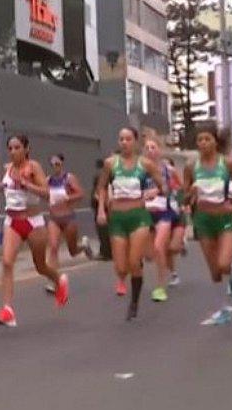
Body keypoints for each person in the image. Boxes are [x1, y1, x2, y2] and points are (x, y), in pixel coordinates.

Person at [0, 134, 68, 327]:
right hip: (12, 221)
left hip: (33, 222)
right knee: (7, 263)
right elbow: (10, 189)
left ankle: (59, 279)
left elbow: (46, 193)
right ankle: (7, 310)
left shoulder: (33, 167)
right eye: (10, 148)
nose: (13, 152)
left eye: (17, 147)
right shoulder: (8, 169)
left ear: (26, 149)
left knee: (40, 265)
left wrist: (28, 185)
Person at [183, 125, 232, 326]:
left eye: (207, 139)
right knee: (214, 270)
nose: (203, 143)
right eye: (200, 140)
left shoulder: (228, 164)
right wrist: (192, 193)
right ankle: (222, 309)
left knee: (223, 263)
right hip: (203, 220)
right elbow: (184, 195)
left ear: (215, 141)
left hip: (224, 218)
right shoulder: (191, 167)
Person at [95, 127, 165, 320]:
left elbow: (163, 185)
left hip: (138, 216)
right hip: (117, 217)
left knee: (134, 261)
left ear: (135, 142)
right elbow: (101, 188)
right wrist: (101, 209)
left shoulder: (145, 164)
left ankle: (134, 303)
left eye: (128, 139)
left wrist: (155, 192)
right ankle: (134, 269)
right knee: (121, 268)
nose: (124, 142)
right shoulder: (110, 164)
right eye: (121, 139)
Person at [43, 153, 92, 293]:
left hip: (68, 217)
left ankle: (83, 246)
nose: (54, 167)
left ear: (62, 164)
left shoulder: (69, 178)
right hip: (54, 218)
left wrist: (67, 198)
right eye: (52, 165)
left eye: (57, 164)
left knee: (72, 251)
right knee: (53, 247)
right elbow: (43, 194)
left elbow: (80, 194)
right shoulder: (48, 180)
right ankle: (53, 281)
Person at [142, 132, 182, 299]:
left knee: (160, 247)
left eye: (153, 147)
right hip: (145, 214)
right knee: (150, 255)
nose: (150, 150)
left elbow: (178, 186)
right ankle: (167, 257)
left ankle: (160, 287)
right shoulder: (139, 170)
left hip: (164, 212)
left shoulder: (168, 169)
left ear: (159, 150)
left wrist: (159, 190)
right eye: (147, 148)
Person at [91, 159, 112, 260]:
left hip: (110, 206)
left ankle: (107, 252)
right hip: (102, 206)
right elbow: (97, 192)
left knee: (106, 230)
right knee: (103, 230)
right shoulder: (100, 177)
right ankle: (105, 252)